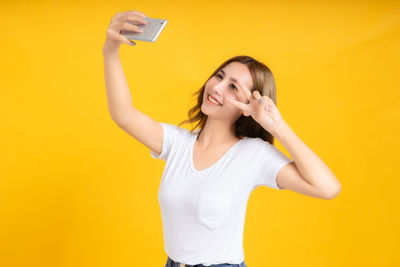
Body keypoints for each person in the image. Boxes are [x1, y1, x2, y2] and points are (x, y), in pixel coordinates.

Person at [103, 10, 342, 267]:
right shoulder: (178, 144)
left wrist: (277, 126)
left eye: (233, 87)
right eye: (219, 76)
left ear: (249, 104)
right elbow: (123, 115)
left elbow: (327, 188)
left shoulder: (253, 154)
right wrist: (110, 52)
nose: (216, 87)